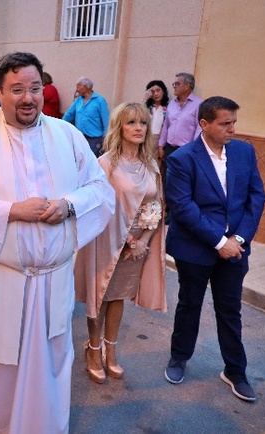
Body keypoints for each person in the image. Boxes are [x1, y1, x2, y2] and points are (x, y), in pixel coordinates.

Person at [0, 52, 114, 434]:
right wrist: (11, 211)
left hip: (53, 280)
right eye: (17, 89)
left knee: (48, 365)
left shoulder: (67, 136)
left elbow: (100, 192)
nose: (28, 98)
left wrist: (69, 206)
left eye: (35, 89)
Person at [164, 96, 265, 402]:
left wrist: (240, 240)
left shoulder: (244, 152)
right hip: (195, 249)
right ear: (204, 124)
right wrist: (219, 242)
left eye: (234, 122)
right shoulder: (182, 159)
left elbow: (256, 198)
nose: (232, 129)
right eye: (225, 124)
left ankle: (235, 370)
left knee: (230, 310)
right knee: (189, 304)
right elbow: (182, 207)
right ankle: (179, 358)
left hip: (235, 250)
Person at [74, 102, 166, 384]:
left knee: (117, 297)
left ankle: (111, 351)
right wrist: (125, 237)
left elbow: (156, 204)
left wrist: (144, 240)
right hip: (107, 239)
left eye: (143, 123)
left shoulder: (151, 163)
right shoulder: (105, 164)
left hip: (137, 246)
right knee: (99, 295)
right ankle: (93, 348)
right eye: (131, 123)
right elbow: (99, 205)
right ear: (119, 127)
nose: (139, 128)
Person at [157, 72, 202, 186]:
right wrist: (161, 145)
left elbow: (199, 128)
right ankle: (165, 202)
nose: (174, 86)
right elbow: (166, 125)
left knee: (182, 180)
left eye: (177, 83)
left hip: (185, 150)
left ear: (187, 86)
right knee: (166, 178)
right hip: (169, 148)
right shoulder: (172, 103)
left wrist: (193, 149)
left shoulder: (199, 104)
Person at [62, 76, 110, 157]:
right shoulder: (78, 100)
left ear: (86, 87)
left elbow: (106, 120)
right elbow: (69, 114)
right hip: (80, 136)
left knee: (92, 159)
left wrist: (107, 137)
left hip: (94, 138)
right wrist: (60, 124)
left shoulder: (100, 100)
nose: (76, 89)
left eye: (78, 86)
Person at [143, 80, 169, 146]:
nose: (156, 94)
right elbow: (139, 117)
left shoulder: (168, 108)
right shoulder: (147, 107)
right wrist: (145, 99)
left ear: (163, 91)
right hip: (145, 138)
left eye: (158, 90)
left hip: (160, 140)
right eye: (152, 91)